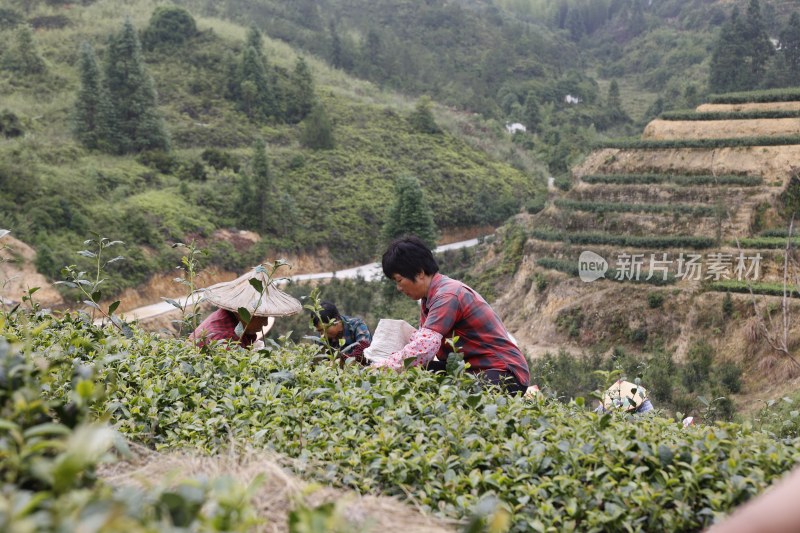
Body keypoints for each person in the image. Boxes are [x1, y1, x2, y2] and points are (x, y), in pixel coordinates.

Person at [374, 235, 530, 394]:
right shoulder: (429, 298)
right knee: (417, 374)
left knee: (451, 395)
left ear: (420, 272)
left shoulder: (447, 295)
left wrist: (383, 367)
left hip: (502, 372)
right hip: (470, 369)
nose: (399, 288)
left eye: (399, 280)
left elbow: (423, 347)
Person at [189, 265, 302, 348]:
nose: (266, 323)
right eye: (263, 317)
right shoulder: (223, 338)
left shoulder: (237, 324)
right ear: (248, 314)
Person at [189, 308, 271, 348]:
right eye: (264, 318)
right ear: (251, 316)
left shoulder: (234, 317)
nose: (266, 323)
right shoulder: (225, 338)